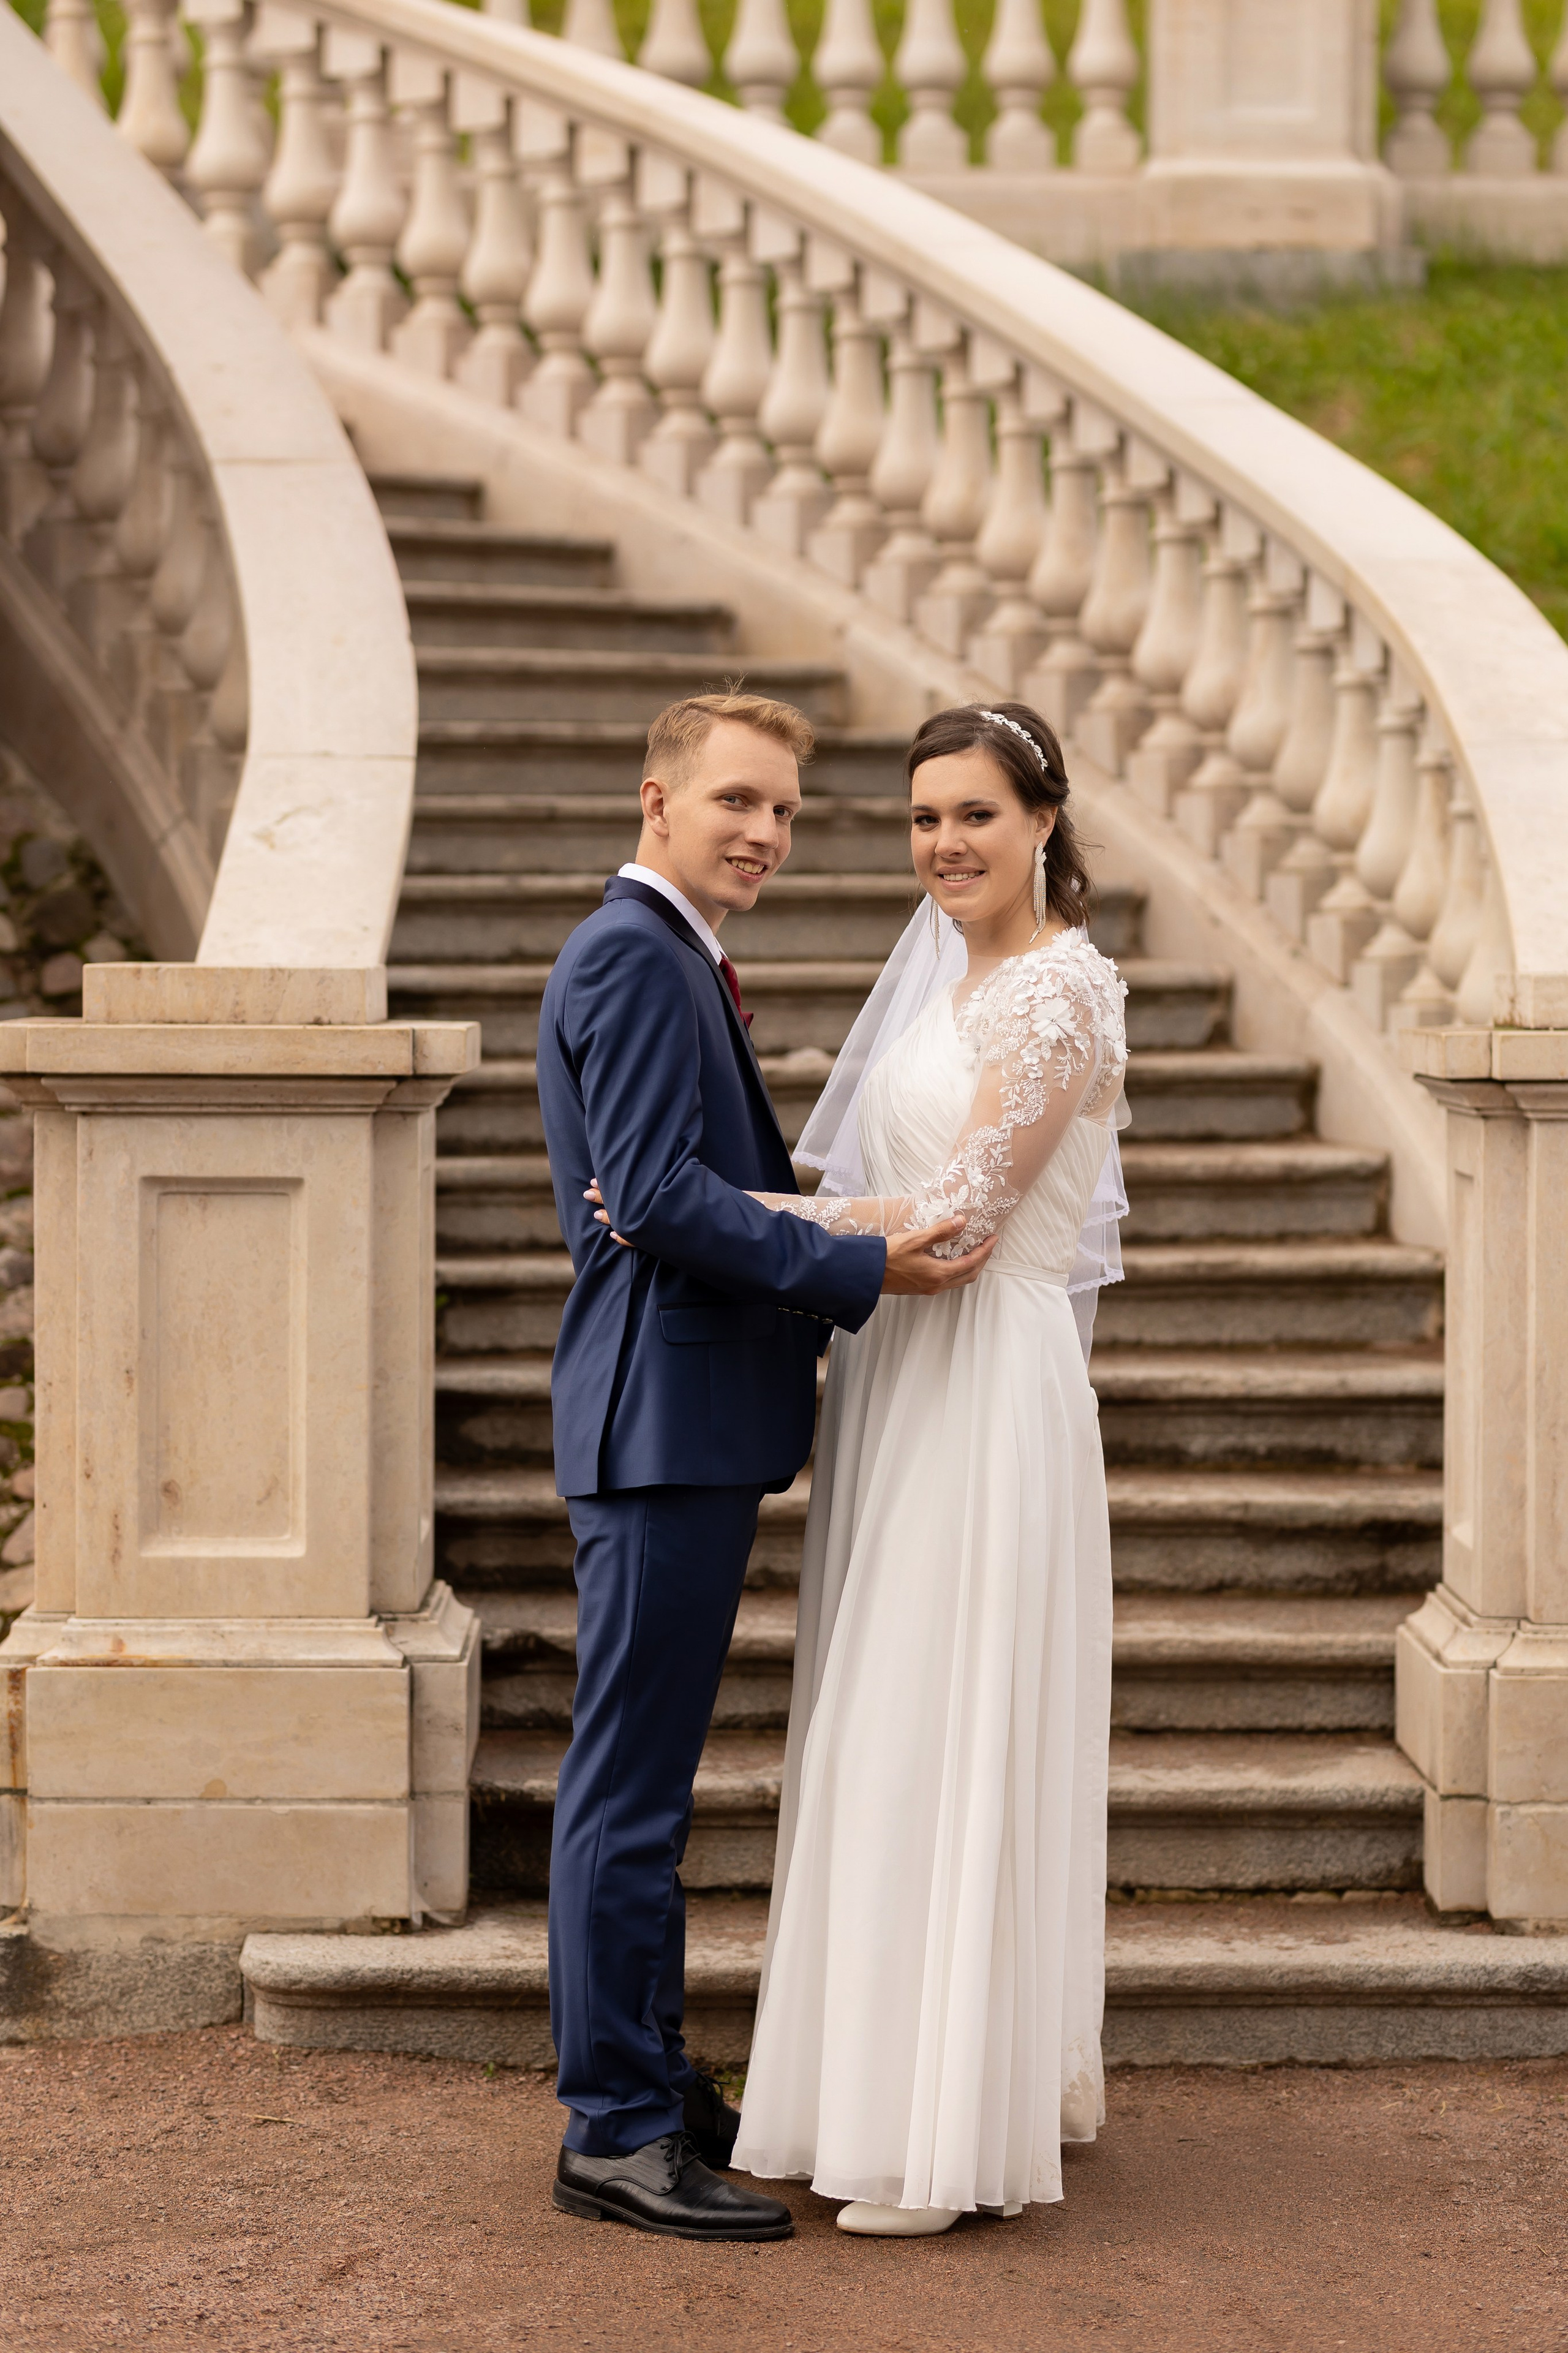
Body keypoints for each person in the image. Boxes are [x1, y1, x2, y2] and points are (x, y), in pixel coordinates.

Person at [535, 692, 995, 2245]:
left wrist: (822, 1216)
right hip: (656, 1425)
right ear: (655, 796)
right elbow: (658, 1198)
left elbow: (665, 1187)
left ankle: (654, 2084)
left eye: (787, 812)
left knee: (647, 1787)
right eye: (738, 800)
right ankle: (612, 2126)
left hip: (676, 1416)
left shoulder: (667, 960)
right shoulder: (634, 955)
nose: (764, 833)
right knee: (628, 1790)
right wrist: (863, 1273)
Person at [723, 699, 1129, 2235]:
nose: (944, 844)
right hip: (899, 1368)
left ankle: (939, 2123)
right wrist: (784, 1214)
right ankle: (874, 2078)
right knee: (875, 1705)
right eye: (920, 819)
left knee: (934, 1706)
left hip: (986, 1379)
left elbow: (956, 1216)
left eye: (973, 814)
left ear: (1040, 823)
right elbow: (888, 1193)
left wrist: (726, 1214)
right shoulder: (944, 985)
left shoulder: (1055, 994)